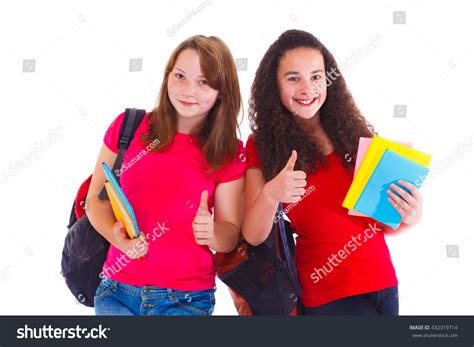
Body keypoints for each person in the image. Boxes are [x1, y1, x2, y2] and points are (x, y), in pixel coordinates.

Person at [242, 30, 424, 315]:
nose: (307, 88)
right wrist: (271, 194)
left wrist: (411, 216)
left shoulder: (354, 136)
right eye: (293, 78)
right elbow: (253, 234)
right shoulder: (261, 145)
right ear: (273, 86)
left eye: (316, 77)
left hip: (384, 285)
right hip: (330, 294)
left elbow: (382, 224)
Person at [86, 35, 245, 316]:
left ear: (223, 90)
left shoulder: (229, 152)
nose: (188, 90)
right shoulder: (129, 127)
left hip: (185, 300)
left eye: (204, 82)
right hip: (116, 293)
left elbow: (230, 233)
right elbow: (95, 202)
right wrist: (117, 238)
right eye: (180, 76)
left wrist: (212, 233)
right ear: (167, 76)